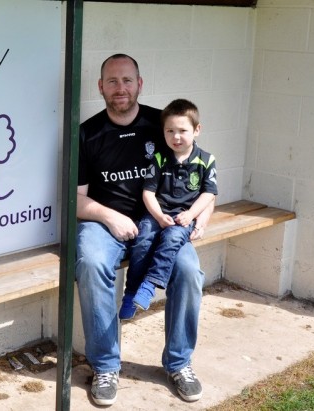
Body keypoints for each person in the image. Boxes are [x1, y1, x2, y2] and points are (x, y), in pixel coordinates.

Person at [76, 54, 214, 406]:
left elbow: (205, 179)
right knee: (91, 264)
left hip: (161, 224)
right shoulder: (88, 133)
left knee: (189, 271)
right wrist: (110, 217)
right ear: (100, 87)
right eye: (112, 81)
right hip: (105, 225)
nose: (119, 88)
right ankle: (106, 365)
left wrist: (203, 216)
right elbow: (74, 202)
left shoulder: (163, 125)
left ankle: (179, 363)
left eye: (126, 80)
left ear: (140, 83)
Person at [118, 99, 217, 320]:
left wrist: (191, 215)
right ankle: (131, 292)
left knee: (171, 240)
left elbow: (209, 194)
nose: (176, 137)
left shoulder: (206, 161)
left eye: (183, 130)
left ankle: (151, 284)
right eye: (170, 131)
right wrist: (159, 216)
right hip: (157, 214)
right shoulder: (160, 158)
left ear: (197, 130)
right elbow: (148, 193)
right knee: (142, 240)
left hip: (183, 218)